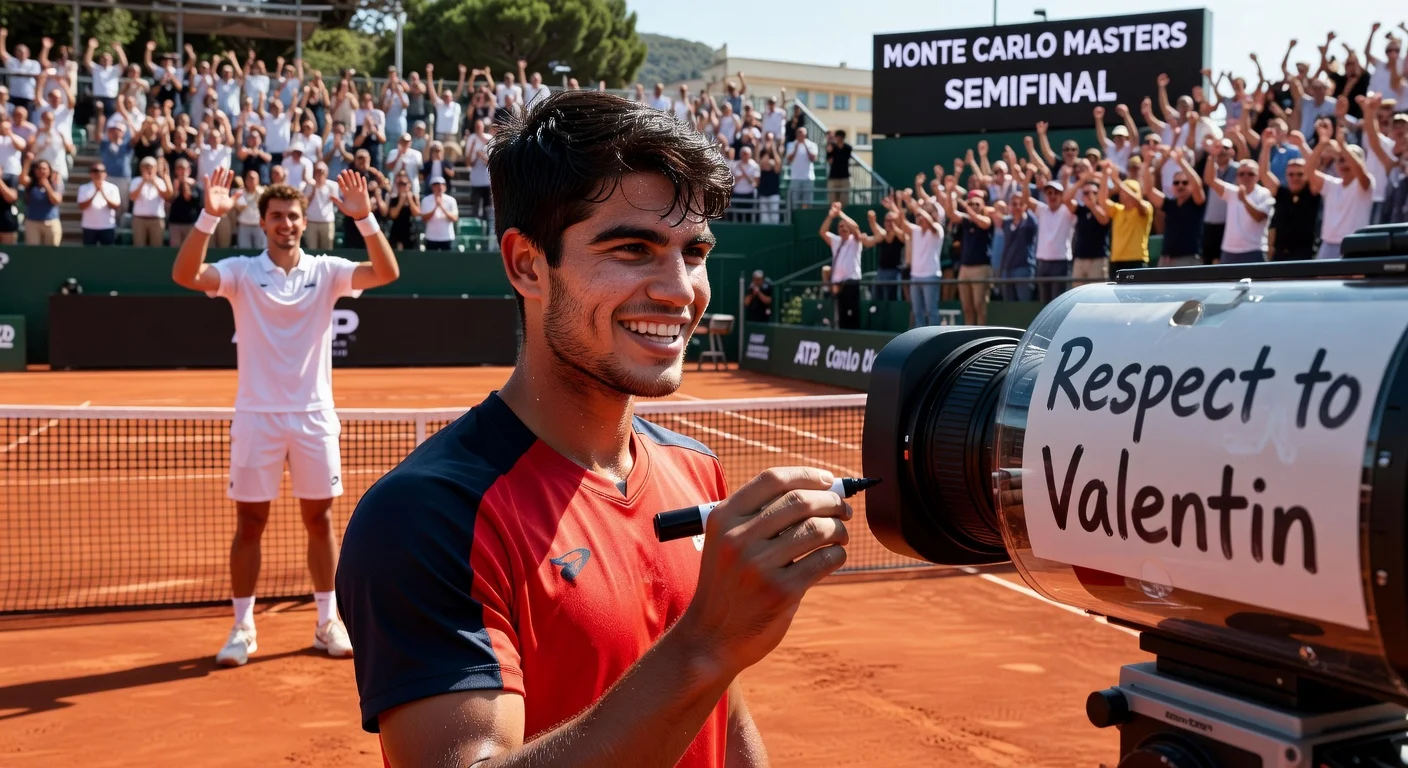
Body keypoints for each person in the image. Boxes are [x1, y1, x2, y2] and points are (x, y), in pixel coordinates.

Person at [336, 88, 848, 767]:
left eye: (694, 251)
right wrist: (706, 642)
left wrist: (712, 654)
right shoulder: (425, 516)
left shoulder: (696, 471)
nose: (681, 289)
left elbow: (721, 712)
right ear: (527, 264)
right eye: (633, 248)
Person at [170, 167, 400, 667]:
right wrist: (208, 215)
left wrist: (365, 218)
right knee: (250, 522)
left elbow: (386, 273)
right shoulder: (240, 272)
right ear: (263, 222)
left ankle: (327, 622)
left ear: (303, 221)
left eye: (293, 216)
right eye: (277, 216)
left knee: (320, 520)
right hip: (257, 417)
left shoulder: (327, 270)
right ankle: (242, 627)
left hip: (314, 417)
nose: (286, 223)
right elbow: (185, 275)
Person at [1302, 125, 1374, 260]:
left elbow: (1359, 170)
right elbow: (1308, 171)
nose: (1343, 164)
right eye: (1340, 160)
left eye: (1348, 159)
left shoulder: (1365, 183)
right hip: (1327, 245)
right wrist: (1322, 143)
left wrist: (1343, 146)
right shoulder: (1331, 184)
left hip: (1355, 243)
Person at [1259, 138, 1321, 262]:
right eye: (1291, 174)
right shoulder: (1281, 193)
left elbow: (1314, 167)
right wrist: (1266, 147)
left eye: (1300, 174)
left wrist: (1302, 145)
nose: (1295, 178)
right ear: (1286, 176)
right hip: (1280, 255)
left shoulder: (1312, 192)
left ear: (1307, 176)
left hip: (1304, 255)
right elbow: (1264, 173)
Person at [1204, 158, 1275, 264]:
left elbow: (1259, 217)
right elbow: (1210, 180)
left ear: (1258, 176)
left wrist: (1245, 200)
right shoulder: (1232, 192)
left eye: (1250, 174)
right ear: (1236, 176)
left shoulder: (1264, 194)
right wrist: (1212, 155)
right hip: (1229, 252)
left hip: (1254, 251)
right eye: (1241, 174)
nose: (1246, 177)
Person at [1143, 148, 1205, 267]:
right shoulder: (1169, 204)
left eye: (1185, 182)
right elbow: (1148, 191)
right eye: (1176, 183)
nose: (1180, 185)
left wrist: (1181, 162)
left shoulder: (1196, 202)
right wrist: (1146, 164)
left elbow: (1197, 185)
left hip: (1188, 259)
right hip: (1166, 260)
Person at [1095, 165, 1153, 271]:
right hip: (1116, 261)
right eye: (1122, 192)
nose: (1125, 194)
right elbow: (1102, 200)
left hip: (1137, 260)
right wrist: (1105, 175)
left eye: (1131, 191)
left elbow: (1137, 201)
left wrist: (1117, 181)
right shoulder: (1117, 210)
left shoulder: (1145, 207)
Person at [1031, 180, 1078, 303]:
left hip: (1061, 262)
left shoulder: (1067, 210)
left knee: (1059, 301)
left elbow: (1069, 199)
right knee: (1045, 302)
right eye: (1049, 193)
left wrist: (1079, 180)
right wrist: (1028, 176)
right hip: (1042, 263)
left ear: (1061, 195)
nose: (1052, 196)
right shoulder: (1042, 209)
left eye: (1056, 193)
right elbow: (1026, 198)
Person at [820, 201, 863, 329]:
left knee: (852, 315)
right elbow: (823, 232)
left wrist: (840, 213)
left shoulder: (855, 241)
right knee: (841, 316)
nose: (843, 228)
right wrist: (831, 216)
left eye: (845, 226)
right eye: (840, 227)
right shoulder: (836, 241)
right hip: (837, 285)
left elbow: (856, 227)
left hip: (851, 282)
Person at [129, 156, 171, 246]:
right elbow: (132, 197)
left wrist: (155, 183)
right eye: (146, 167)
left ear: (156, 168)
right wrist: (143, 182)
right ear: (141, 168)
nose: (149, 169)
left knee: (156, 247)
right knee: (138, 247)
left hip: (156, 220)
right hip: (139, 220)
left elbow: (167, 197)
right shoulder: (136, 181)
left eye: (151, 167)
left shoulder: (160, 181)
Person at [420, 175, 457, 250]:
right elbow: (424, 219)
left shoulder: (451, 200)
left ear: (445, 187)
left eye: (442, 184)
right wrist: (435, 208)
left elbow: (454, 218)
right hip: (431, 237)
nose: (440, 187)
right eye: (436, 185)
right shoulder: (426, 200)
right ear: (432, 187)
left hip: (447, 237)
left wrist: (441, 207)